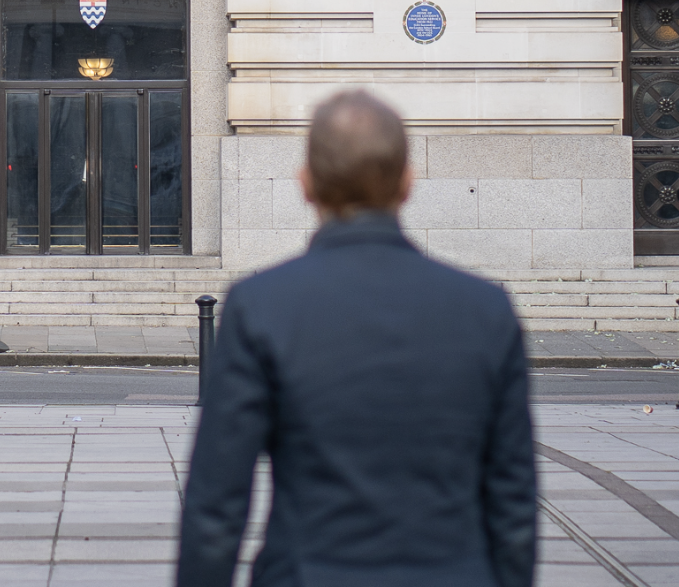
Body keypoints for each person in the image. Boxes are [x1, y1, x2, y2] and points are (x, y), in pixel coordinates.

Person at [177, 89, 535, 587]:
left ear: (306, 184)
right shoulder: (485, 309)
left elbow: (217, 502)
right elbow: (513, 498)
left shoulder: (261, 305)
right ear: (407, 183)